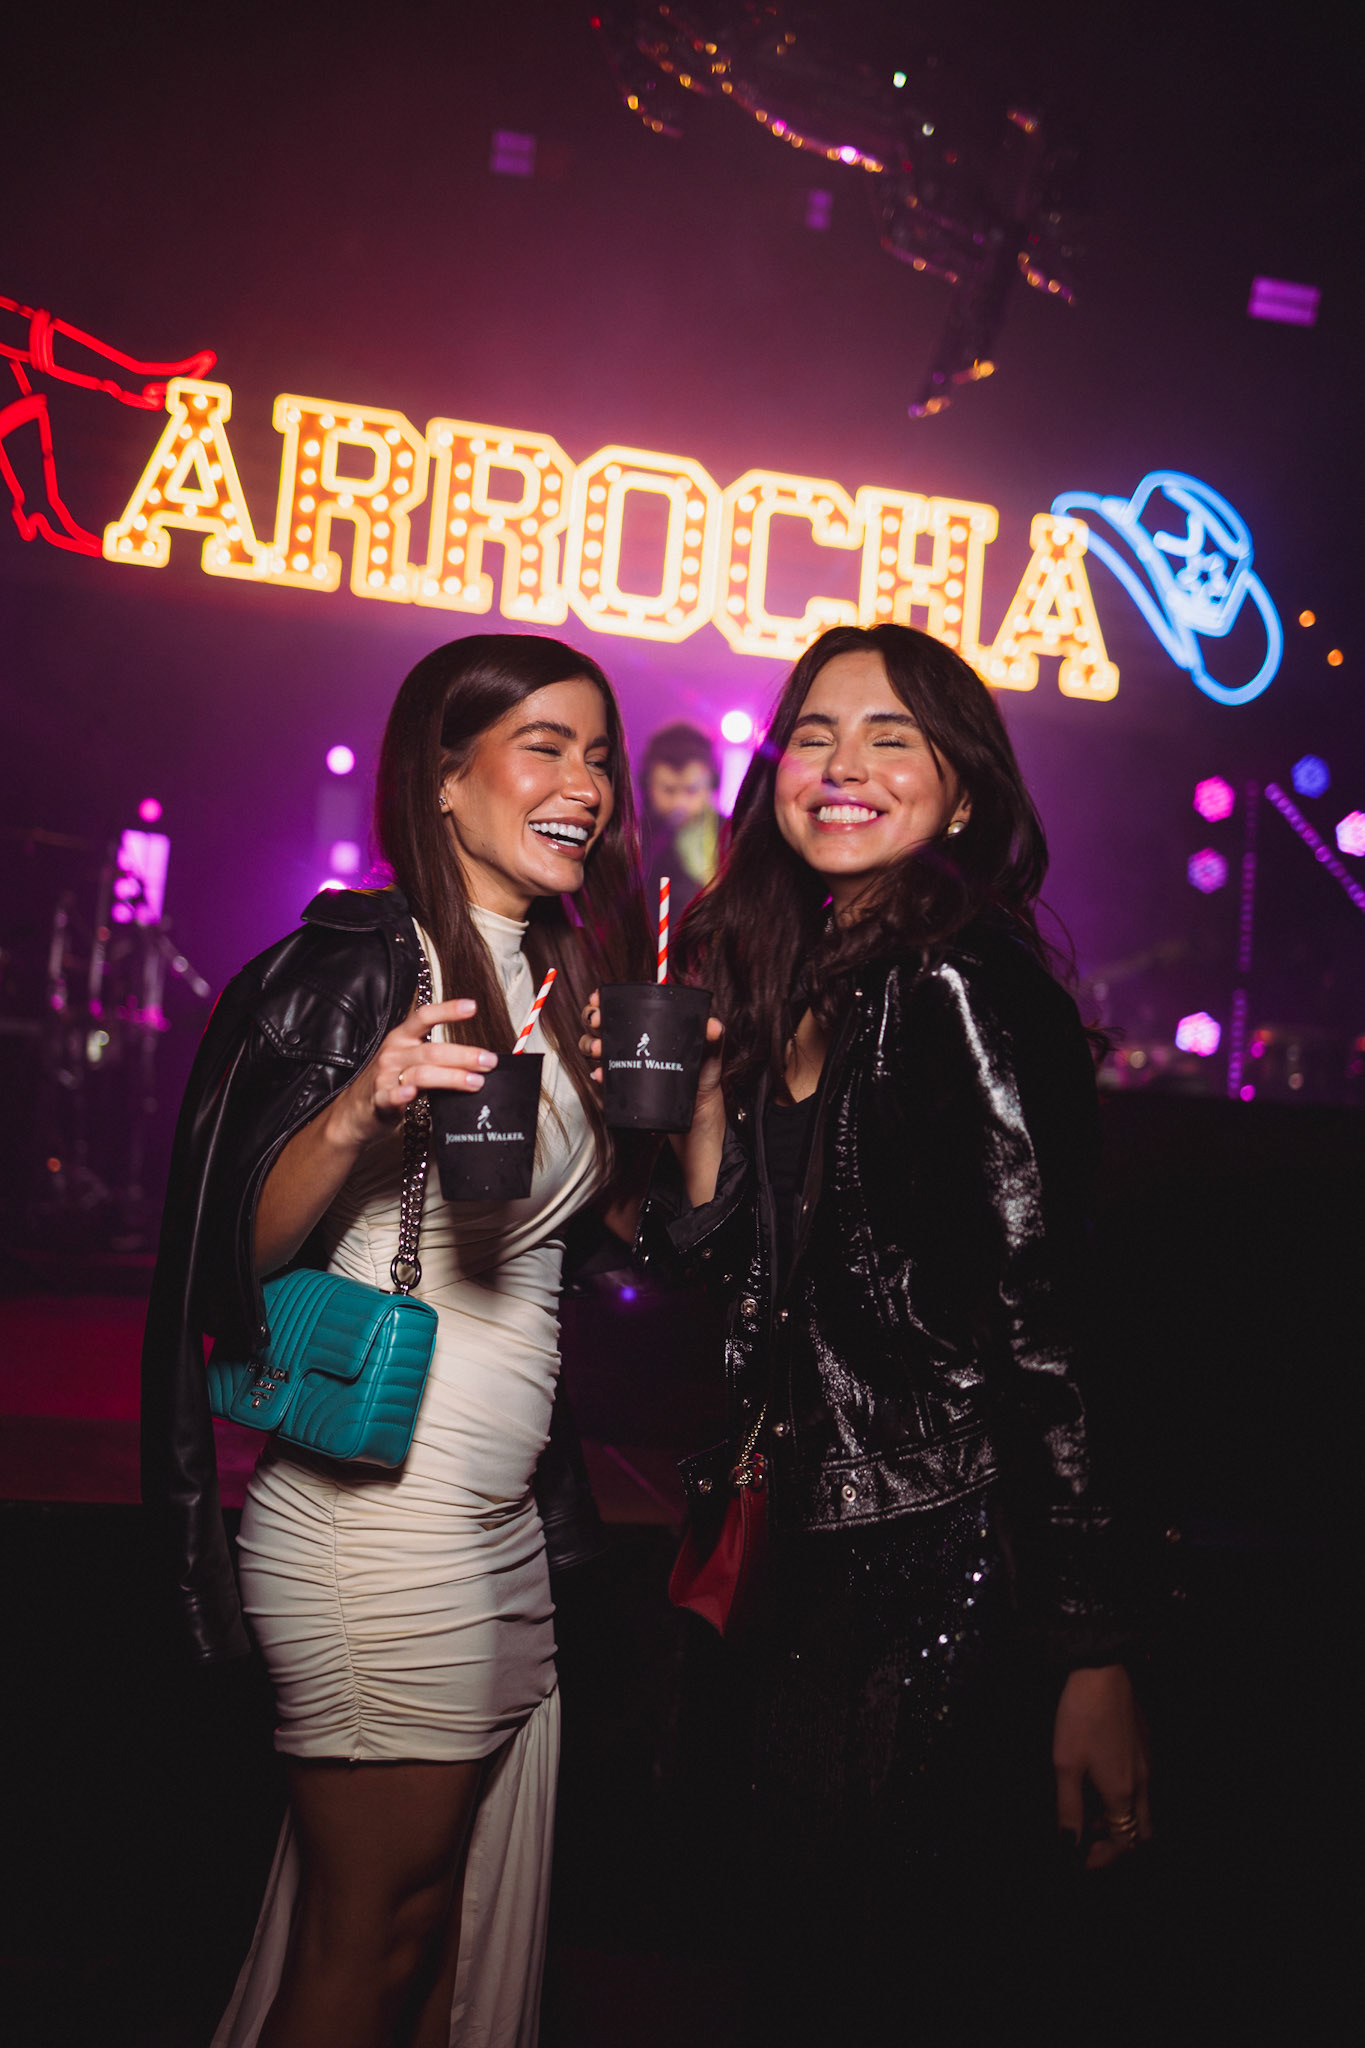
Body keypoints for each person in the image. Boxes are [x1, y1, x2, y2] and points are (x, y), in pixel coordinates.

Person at [584, 622, 1150, 2041]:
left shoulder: (960, 981)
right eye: (816, 735)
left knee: (892, 1970)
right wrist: (692, 1110)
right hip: (815, 1551)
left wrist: (1091, 1650)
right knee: (809, 1962)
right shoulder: (812, 974)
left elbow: (1048, 1322)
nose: (840, 766)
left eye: (890, 737)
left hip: (944, 1558)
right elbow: (719, 1265)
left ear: (960, 794)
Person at [140, 633, 650, 2048]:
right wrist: (360, 1108)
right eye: (543, 746)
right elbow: (229, 1261)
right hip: (377, 1531)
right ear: (440, 778)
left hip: (503, 1528)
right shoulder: (353, 965)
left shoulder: (565, 980)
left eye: (598, 755)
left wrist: (675, 1109)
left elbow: (608, 1248)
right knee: (368, 1944)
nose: (585, 784)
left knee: (441, 1951)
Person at [638, 720, 724, 915]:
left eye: (691, 789)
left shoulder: (734, 835)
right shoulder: (633, 838)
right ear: (647, 786)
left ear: (712, 785)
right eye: (668, 789)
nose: (679, 803)